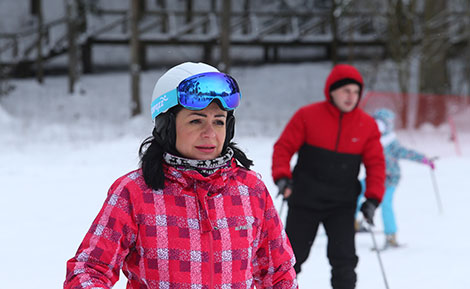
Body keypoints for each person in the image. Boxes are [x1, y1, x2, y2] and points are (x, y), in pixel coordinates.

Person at [64, 62, 298, 289]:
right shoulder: (134, 193)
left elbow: (279, 274)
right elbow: (89, 270)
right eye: (196, 121)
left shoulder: (250, 190)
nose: (210, 134)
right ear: (167, 126)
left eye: (218, 122)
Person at [271, 64, 386, 289]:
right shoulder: (308, 115)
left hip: (341, 204)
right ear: (331, 91)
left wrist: (372, 199)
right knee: (290, 260)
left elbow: (376, 165)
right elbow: (283, 148)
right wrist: (282, 177)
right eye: (345, 91)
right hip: (304, 199)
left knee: (344, 261)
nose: (351, 97)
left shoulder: (367, 125)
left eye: (355, 92)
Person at [355, 108, 436, 249]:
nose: (378, 127)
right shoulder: (369, 141)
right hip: (373, 178)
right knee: (354, 193)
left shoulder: (391, 143)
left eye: (381, 124)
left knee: (386, 204)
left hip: (390, 179)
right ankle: (353, 223)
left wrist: (424, 159)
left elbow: (407, 153)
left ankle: (391, 236)